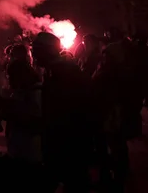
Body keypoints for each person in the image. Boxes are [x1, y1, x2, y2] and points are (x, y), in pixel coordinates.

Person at [32, 32, 93, 192]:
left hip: (68, 140)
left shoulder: (62, 71)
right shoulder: (55, 69)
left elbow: (65, 108)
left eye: (37, 49)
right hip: (63, 138)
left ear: (49, 50)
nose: (33, 54)